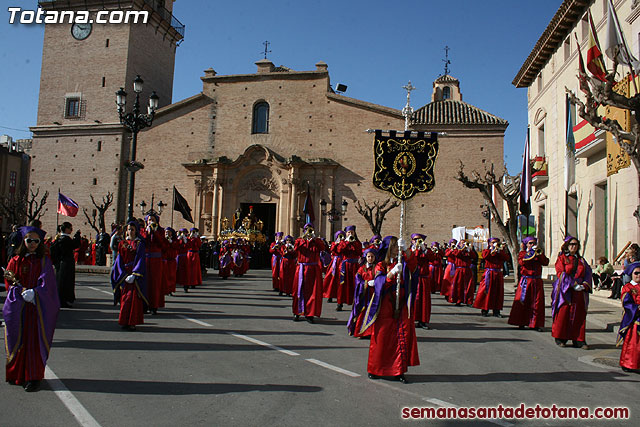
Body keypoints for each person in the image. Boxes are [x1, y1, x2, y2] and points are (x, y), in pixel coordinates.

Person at [3, 226, 59, 392]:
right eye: (29, 240)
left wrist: (35, 293)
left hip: (36, 309)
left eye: (36, 241)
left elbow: (48, 283)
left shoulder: (44, 261)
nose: (33, 244)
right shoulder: (15, 260)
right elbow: (9, 281)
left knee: (33, 341)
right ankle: (16, 373)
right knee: (17, 340)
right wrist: (19, 291)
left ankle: (33, 377)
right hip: (19, 307)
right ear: (23, 241)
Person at [362, 235, 419, 383]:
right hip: (386, 304)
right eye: (394, 247)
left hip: (401, 303)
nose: (396, 250)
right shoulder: (381, 264)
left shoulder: (403, 262)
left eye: (398, 247)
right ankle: (375, 368)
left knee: (401, 335)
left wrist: (407, 250)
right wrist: (392, 273)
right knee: (381, 337)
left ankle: (398, 370)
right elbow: (379, 282)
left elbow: (414, 266)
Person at [551, 236, 592, 349]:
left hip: (579, 290)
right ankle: (561, 338)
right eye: (571, 244)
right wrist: (573, 284)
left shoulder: (582, 260)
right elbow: (561, 273)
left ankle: (578, 339)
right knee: (564, 313)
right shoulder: (562, 258)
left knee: (579, 314)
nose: (574, 246)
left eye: (576, 244)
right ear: (567, 246)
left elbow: (588, 273)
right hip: (565, 290)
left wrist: (584, 285)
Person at [111, 221, 147, 331]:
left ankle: (132, 322)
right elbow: (119, 260)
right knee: (125, 298)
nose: (130, 231)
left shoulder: (139, 244)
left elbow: (141, 259)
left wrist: (135, 274)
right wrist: (122, 273)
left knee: (133, 298)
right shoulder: (122, 244)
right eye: (128, 229)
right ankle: (124, 320)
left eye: (132, 229)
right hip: (125, 273)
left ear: (136, 231)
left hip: (134, 273)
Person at [507, 237, 549, 331]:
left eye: (534, 243)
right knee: (523, 301)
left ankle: (535, 323)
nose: (532, 245)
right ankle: (521, 322)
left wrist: (540, 254)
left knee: (537, 302)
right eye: (530, 243)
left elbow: (545, 262)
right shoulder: (523, 253)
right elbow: (522, 262)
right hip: (526, 280)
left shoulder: (539, 253)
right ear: (526, 244)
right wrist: (530, 253)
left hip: (537, 280)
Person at [292, 223, 325, 323]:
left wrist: (315, 240)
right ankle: (297, 312)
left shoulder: (317, 241)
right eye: (306, 229)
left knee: (313, 292)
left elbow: (322, 248)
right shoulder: (299, 240)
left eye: (310, 230)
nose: (308, 232)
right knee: (298, 290)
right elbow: (296, 249)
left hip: (313, 269)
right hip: (301, 268)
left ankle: (310, 314)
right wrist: (303, 239)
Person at [473, 237, 510, 317]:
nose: (495, 244)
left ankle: (496, 311)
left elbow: (506, 258)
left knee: (498, 293)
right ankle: (485, 309)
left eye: (496, 242)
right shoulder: (486, 250)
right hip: (489, 273)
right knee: (487, 291)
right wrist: (491, 250)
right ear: (490, 243)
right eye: (493, 242)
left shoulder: (500, 251)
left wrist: (499, 251)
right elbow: (485, 256)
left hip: (498, 273)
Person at [140, 213, 167, 314]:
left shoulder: (160, 231)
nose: (151, 221)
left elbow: (162, 244)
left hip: (156, 260)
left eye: (153, 219)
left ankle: (154, 305)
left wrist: (155, 233)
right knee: (145, 282)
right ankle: (144, 304)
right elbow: (143, 242)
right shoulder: (143, 231)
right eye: (149, 220)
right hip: (146, 259)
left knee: (155, 283)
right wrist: (147, 232)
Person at [347, 247, 377, 338]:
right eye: (369, 256)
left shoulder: (377, 268)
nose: (370, 258)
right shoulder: (361, 269)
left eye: (372, 256)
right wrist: (366, 283)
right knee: (362, 312)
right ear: (366, 257)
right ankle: (361, 331)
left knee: (372, 312)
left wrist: (376, 282)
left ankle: (370, 332)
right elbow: (358, 280)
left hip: (373, 294)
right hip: (364, 294)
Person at [617, 262, 640, 373]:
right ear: (631, 274)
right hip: (634, 318)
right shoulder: (628, 287)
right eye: (636, 273)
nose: (638, 275)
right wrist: (637, 308)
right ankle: (628, 363)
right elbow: (626, 303)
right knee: (632, 344)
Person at [53, 222, 81, 308]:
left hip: (61, 263)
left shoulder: (59, 239)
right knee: (65, 282)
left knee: (61, 282)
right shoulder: (65, 239)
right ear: (66, 229)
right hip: (66, 263)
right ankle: (63, 300)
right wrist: (77, 236)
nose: (71, 230)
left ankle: (63, 299)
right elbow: (75, 245)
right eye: (70, 228)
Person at [336, 225, 362, 311]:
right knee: (343, 284)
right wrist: (346, 242)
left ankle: (355, 302)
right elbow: (339, 250)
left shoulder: (357, 243)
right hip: (345, 265)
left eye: (352, 232)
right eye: (348, 232)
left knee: (355, 284)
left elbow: (359, 252)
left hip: (355, 265)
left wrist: (353, 243)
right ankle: (340, 303)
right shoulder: (343, 242)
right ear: (346, 233)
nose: (350, 234)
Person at [411, 233, 433, 329]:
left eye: (419, 240)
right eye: (415, 239)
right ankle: (411, 319)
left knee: (424, 301)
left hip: (423, 278)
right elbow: (411, 259)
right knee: (413, 300)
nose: (417, 241)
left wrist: (424, 249)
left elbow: (432, 258)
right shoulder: (410, 250)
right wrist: (415, 249)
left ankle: (423, 321)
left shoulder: (426, 251)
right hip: (413, 278)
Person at [448, 240, 475, 306]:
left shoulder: (468, 250)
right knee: (459, 285)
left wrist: (469, 250)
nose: (464, 244)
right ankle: (458, 300)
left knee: (468, 286)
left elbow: (474, 256)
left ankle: (468, 300)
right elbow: (456, 254)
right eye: (462, 243)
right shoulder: (457, 249)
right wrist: (461, 249)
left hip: (467, 269)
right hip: (459, 269)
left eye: (464, 243)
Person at [323, 231, 345, 303]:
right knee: (331, 278)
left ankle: (341, 296)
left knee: (341, 279)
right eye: (338, 236)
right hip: (335, 262)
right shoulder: (334, 243)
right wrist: (336, 244)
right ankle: (330, 295)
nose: (340, 237)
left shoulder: (345, 243)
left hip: (342, 262)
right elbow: (332, 250)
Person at [163, 228, 179, 295]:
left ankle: (170, 289)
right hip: (165, 260)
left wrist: (171, 242)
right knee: (165, 276)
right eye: (166, 232)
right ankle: (165, 289)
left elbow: (176, 247)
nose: (167, 233)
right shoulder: (163, 240)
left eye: (169, 232)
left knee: (171, 276)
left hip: (172, 260)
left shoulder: (174, 240)